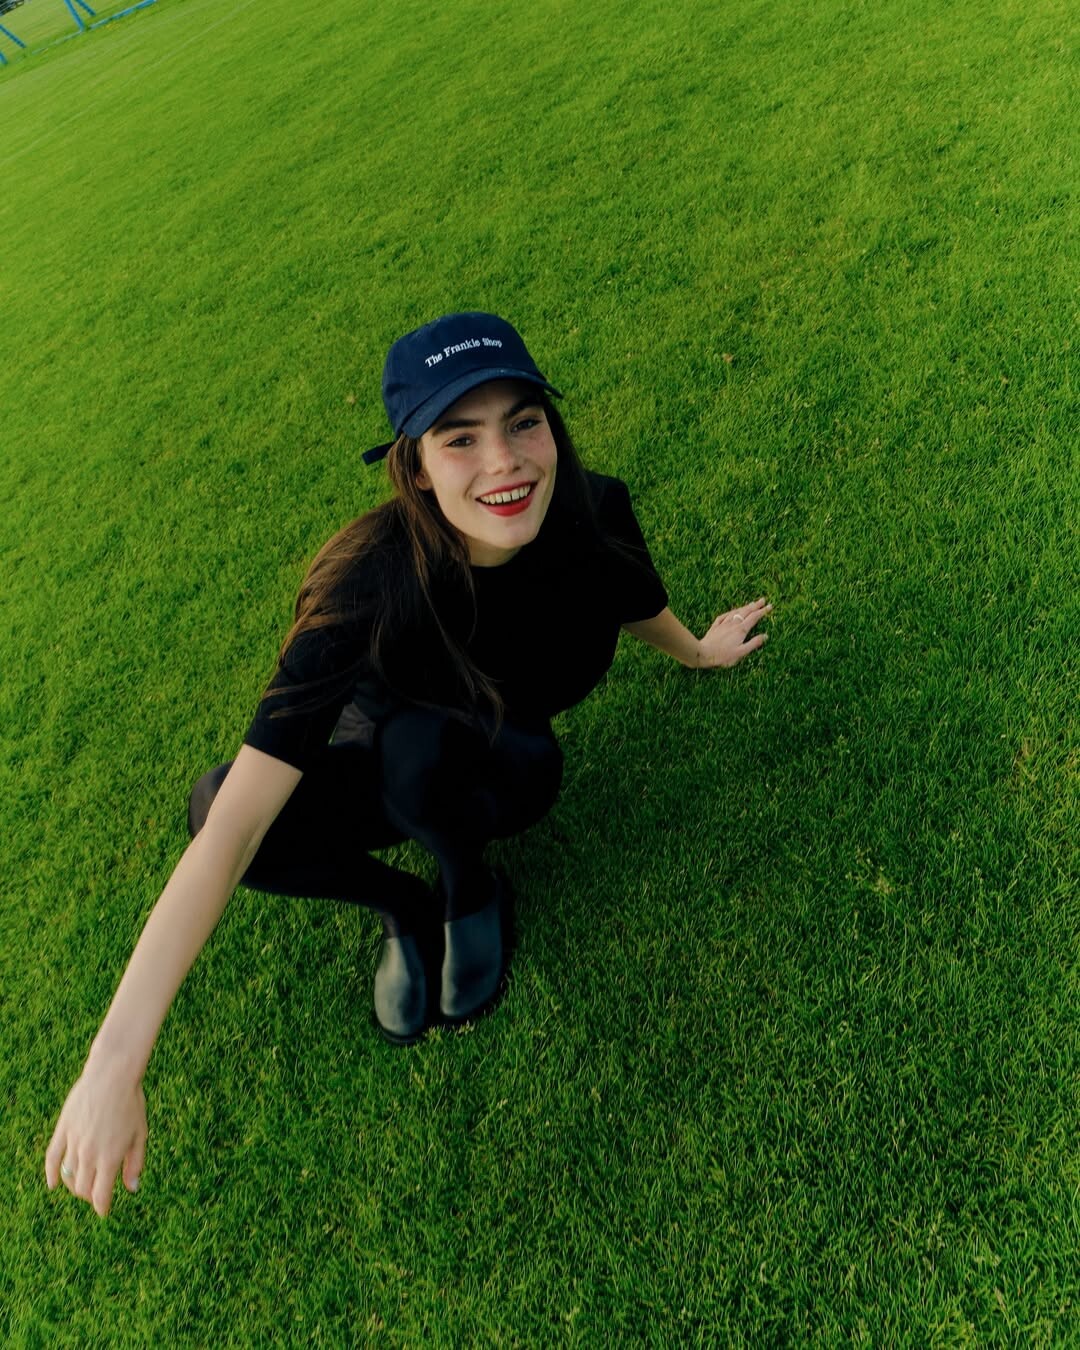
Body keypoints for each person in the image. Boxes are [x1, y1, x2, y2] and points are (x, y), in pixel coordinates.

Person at [45, 312, 771, 1216]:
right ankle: (405, 905)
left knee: (432, 746)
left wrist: (697, 651)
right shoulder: (367, 582)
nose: (504, 462)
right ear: (416, 466)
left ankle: (471, 888)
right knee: (216, 802)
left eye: (523, 421)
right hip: (380, 764)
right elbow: (232, 832)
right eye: (459, 438)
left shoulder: (589, 511)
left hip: (503, 767)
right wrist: (113, 1063)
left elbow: (631, 599)